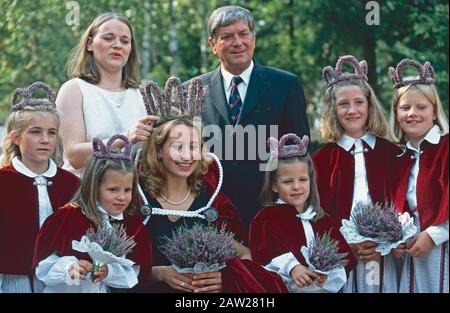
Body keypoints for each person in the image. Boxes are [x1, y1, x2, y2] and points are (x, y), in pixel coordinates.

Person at [133, 77, 287, 293]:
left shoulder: (211, 200)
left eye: (194, 146)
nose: (187, 156)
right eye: (178, 147)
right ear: (158, 150)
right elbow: (117, 264)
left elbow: (245, 255)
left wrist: (224, 278)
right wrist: (158, 273)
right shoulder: (137, 198)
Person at [187, 5, 310, 227]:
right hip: (207, 212)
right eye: (227, 36)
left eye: (243, 34)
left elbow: (298, 154)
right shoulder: (193, 91)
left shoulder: (285, 85)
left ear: (253, 38)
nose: (237, 42)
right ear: (213, 45)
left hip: (270, 212)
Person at [312, 55, 401, 293]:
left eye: (359, 102)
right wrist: (344, 244)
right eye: (344, 104)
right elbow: (314, 213)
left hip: (384, 256)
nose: (352, 110)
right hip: (340, 258)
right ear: (333, 109)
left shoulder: (392, 153)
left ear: (369, 105)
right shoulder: (321, 160)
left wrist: (390, 239)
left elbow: (403, 203)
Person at [32, 134, 152, 293]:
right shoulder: (67, 218)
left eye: (127, 190)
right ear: (94, 186)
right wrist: (69, 268)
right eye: (113, 190)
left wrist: (109, 272)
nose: (122, 197)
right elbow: (43, 266)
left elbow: (136, 272)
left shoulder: (131, 226)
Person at [250, 133, 356, 293]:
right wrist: (292, 267)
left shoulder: (319, 217)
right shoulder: (267, 219)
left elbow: (342, 254)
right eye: (288, 181)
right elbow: (263, 254)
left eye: (302, 180)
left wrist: (328, 273)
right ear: (274, 185)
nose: (296, 187)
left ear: (311, 181)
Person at [0, 82, 79, 292]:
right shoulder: (3, 181)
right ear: (16, 137)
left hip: (63, 279)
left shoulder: (71, 184)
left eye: (51, 133)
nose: (45, 140)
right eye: (36, 132)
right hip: (13, 281)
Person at [56, 12, 158, 177]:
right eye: (108, 38)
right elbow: (75, 156)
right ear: (90, 44)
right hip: (83, 194)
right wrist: (126, 137)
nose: (117, 45)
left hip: (133, 196)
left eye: (125, 41)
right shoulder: (74, 90)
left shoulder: (144, 95)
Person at [388, 59, 449, 293]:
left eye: (421, 107)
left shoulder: (446, 147)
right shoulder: (400, 156)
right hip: (410, 252)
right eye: (405, 108)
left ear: (434, 112)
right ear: (397, 113)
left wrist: (434, 235)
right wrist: (393, 241)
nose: (412, 114)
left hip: (440, 245)